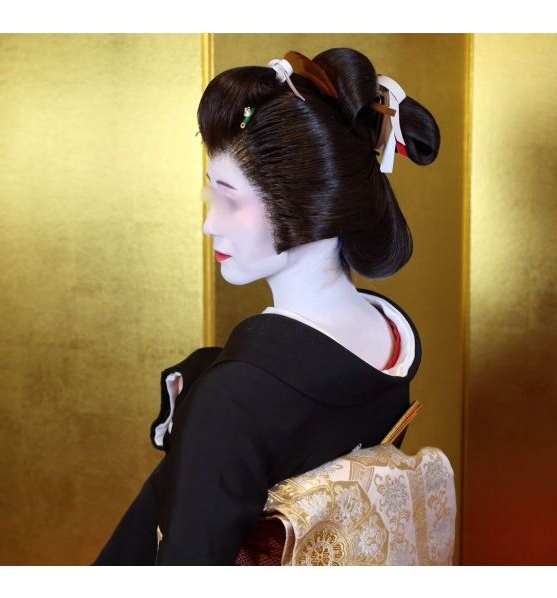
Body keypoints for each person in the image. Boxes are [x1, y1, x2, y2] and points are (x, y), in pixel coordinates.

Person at [93, 47, 440, 566]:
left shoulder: (235, 398)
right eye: (211, 196)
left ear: (310, 204)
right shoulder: (388, 338)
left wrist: (212, 400)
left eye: (230, 199)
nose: (210, 223)